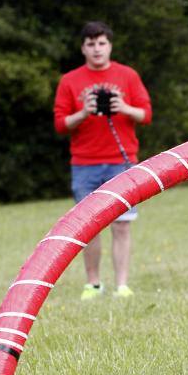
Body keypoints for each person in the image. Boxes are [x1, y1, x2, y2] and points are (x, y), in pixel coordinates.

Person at [53, 21, 152, 300]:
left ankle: (122, 285)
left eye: (101, 43)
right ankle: (93, 284)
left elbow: (146, 114)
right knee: (89, 228)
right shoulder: (69, 81)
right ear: (83, 48)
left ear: (110, 45)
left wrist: (124, 108)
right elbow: (61, 124)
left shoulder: (128, 75)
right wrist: (85, 112)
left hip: (122, 161)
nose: (96, 49)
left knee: (122, 224)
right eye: (90, 44)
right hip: (84, 164)